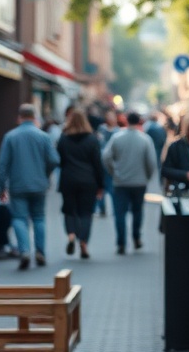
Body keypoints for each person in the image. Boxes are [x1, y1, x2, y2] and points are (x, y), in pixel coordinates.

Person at [0, 103, 59, 270]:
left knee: (19, 218)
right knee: (38, 218)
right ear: (35, 117)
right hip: (39, 185)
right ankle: (40, 252)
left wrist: (1, 187)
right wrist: (45, 174)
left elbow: (2, 165)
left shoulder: (10, 136)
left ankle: (24, 251)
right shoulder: (43, 137)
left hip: (17, 185)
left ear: (20, 117)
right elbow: (54, 160)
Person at [102, 110, 156, 254]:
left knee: (120, 213)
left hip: (120, 182)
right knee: (137, 211)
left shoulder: (117, 137)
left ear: (126, 121)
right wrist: (147, 176)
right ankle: (136, 238)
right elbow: (151, 162)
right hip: (139, 182)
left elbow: (106, 157)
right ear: (139, 122)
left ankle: (121, 243)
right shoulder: (145, 139)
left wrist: (113, 171)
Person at [56, 109, 104, 260]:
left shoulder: (63, 138)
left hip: (68, 179)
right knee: (86, 212)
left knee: (69, 210)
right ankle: (83, 242)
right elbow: (98, 163)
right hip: (88, 180)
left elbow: (60, 161)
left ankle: (71, 236)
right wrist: (100, 185)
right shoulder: (92, 139)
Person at [94, 109, 119, 217]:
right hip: (101, 163)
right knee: (101, 187)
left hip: (113, 164)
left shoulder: (118, 131)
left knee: (112, 188)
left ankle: (115, 209)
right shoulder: (101, 129)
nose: (110, 119)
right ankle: (102, 208)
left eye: (112, 116)